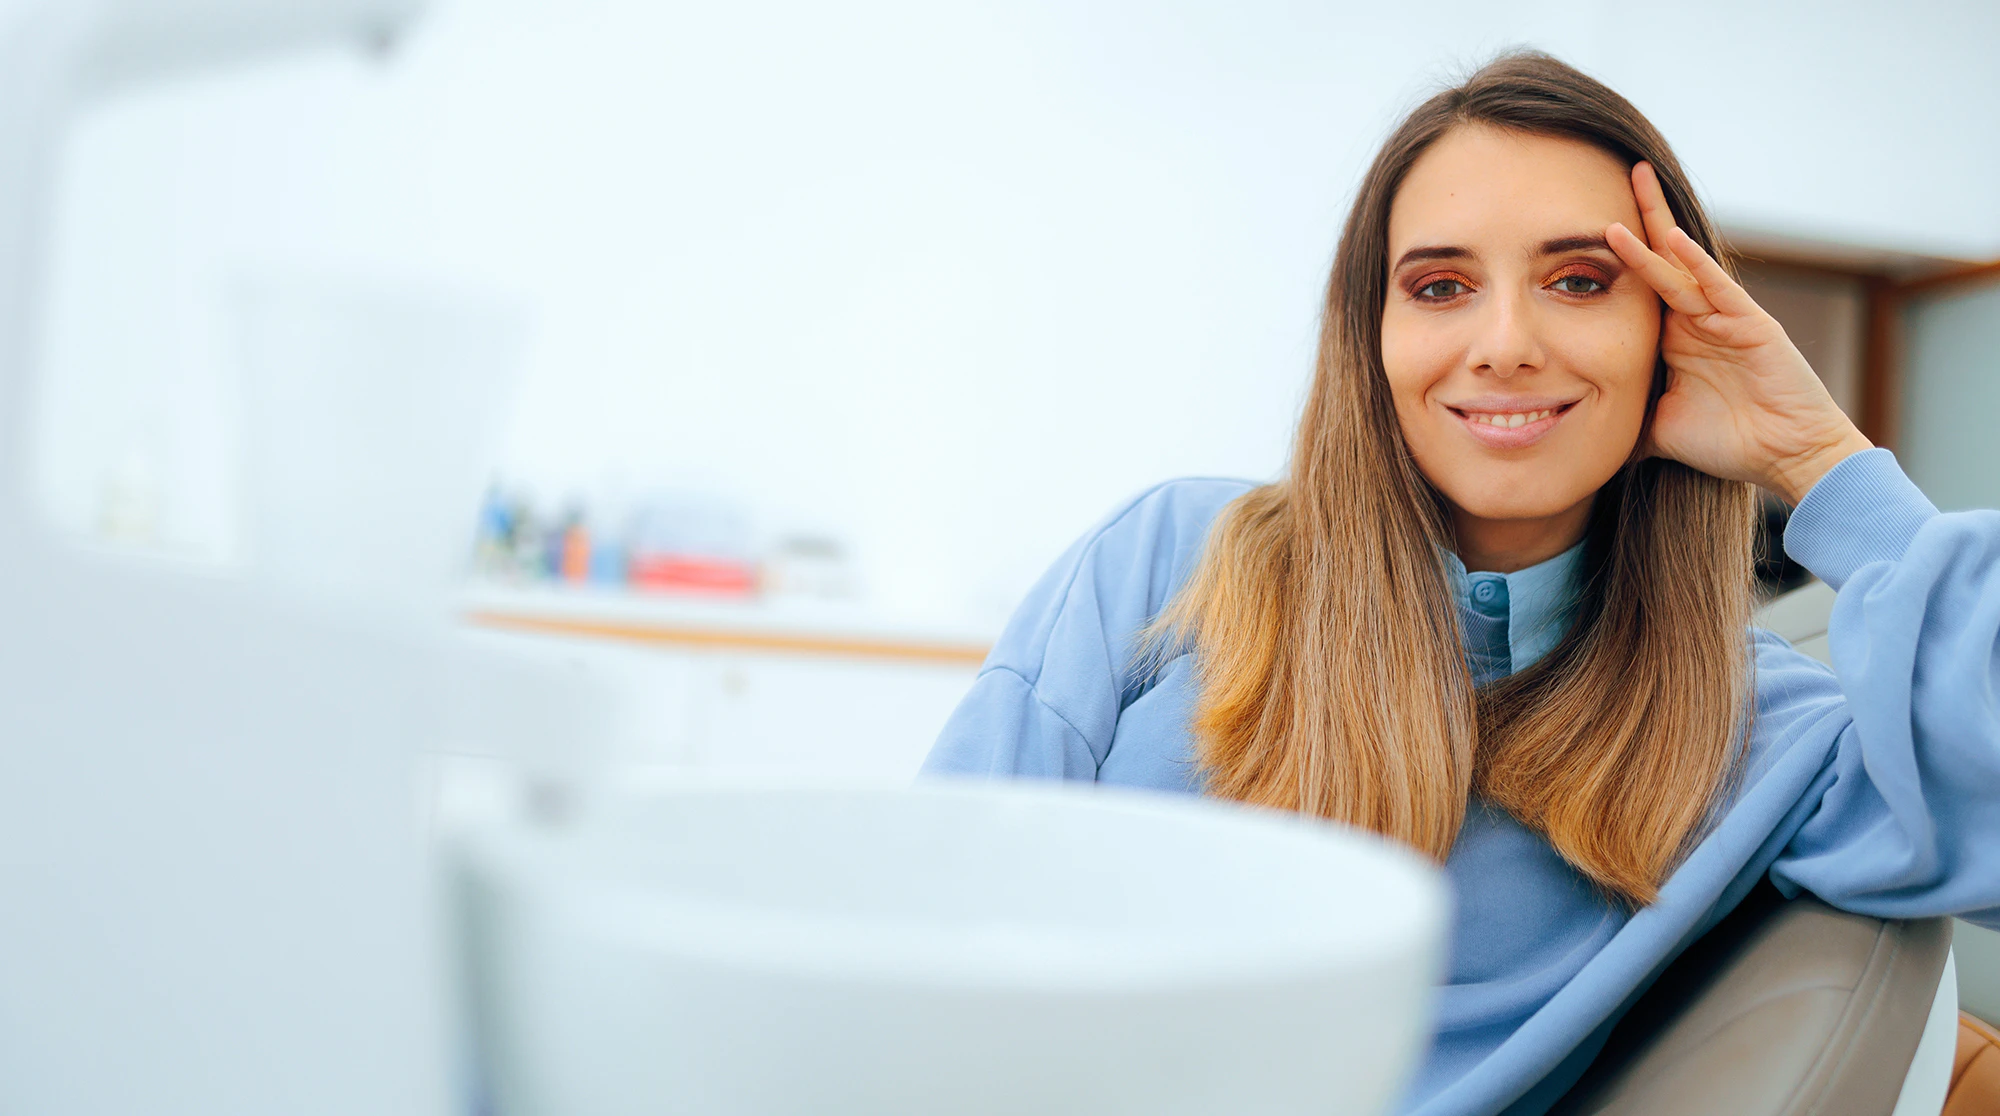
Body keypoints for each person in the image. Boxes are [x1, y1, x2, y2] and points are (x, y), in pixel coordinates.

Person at [920, 51, 2000, 1116]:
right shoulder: (1171, 558)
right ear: (1373, 338)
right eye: (1439, 286)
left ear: (1668, 333)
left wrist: (1818, 457)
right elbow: (930, 902)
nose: (1503, 344)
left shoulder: (1766, 735)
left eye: (1579, 282)